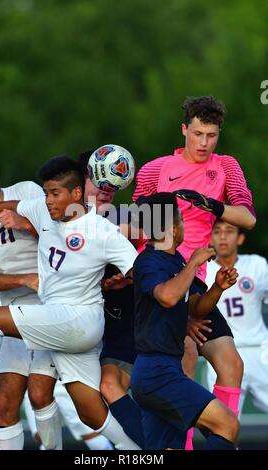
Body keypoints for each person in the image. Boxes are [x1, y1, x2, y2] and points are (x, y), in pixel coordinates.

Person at [0, 155, 140, 450]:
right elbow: (8, 213)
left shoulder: (96, 227)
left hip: (65, 315)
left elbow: (137, 269)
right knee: (88, 412)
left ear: (76, 194)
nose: (47, 200)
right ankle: (140, 449)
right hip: (51, 314)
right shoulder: (39, 207)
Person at [133, 96, 256, 448]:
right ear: (184, 129)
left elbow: (247, 218)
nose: (204, 143)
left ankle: (222, 433)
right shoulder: (155, 169)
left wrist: (212, 205)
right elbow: (139, 225)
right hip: (164, 277)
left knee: (231, 363)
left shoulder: (227, 167)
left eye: (212, 135)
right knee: (184, 360)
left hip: (197, 282)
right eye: (198, 133)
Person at [130, 192, 240, 450]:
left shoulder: (174, 260)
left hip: (164, 368)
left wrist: (217, 288)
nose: (184, 225)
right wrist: (193, 264)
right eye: (181, 219)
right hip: (156, 371)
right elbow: (168, 297)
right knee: (227, 425)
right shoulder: (148, 260)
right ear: (171, 228)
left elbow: (195, 308)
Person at [0, 142, 60, 450]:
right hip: (11, 307)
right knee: (6, 402)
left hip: (50, 301)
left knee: (40, 394)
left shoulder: (26, 190)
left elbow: (59, 231)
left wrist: (23, 222)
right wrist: (23, 279)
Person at [77, 150, 144, 448]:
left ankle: (149, 447)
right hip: (73, 324)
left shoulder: (125, 220)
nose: (104, 187)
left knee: (109, 387)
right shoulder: (54, 220)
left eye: (111, 182)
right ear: (79, 185)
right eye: (95, 179)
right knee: (42, 396)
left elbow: (159, 231)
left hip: (121, 323)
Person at [205, 220, 268, 417]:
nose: (223, 236)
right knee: (223, 421)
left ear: (240, 238)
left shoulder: (257, 264)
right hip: (221, 355)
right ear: (210, 238)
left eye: (229, 231)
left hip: (259, 350)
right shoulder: (203, 271)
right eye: (217, 231)